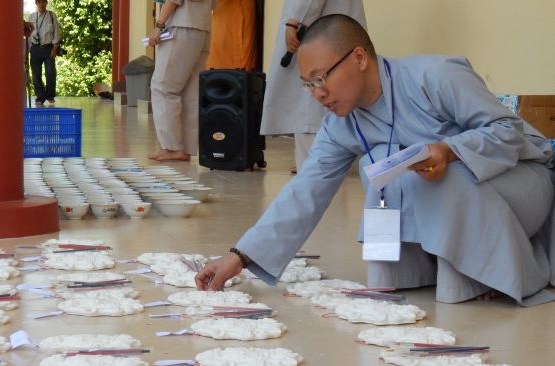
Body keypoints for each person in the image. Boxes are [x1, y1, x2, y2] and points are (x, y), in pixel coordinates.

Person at [195, 14, 555, 306]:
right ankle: (415, 274)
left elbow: (508, 130)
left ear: (359, 58)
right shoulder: (341, 123)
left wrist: (449, 150)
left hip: (523, 184)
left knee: (440, 172)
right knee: (384, 165)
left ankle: (488, 274)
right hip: (469, 201)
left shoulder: (434, 75)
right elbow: (305, 191)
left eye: (322, 78)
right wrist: (239, 256)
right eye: (309, 84)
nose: (318, 93)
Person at [261, 1, 365, 174]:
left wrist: (295, 22)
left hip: (314, 30)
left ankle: (312, 168)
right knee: (326, 106)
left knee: (309, 111)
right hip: (336, 28)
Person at [148, 0, 216, 162]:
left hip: (181, 25)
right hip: (202, 28)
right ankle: (184, 148)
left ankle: (172, 147)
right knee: (190, 91)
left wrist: (159, 25)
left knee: (163, 87)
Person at [27, 0, 61, 107]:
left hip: (48, 48)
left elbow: (56, 31)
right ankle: (40, 97)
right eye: (39, 2)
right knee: (36, 75)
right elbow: (28, 34)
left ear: (46, 3)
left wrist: (55, 47)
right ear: (36, 4)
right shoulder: (31, 16)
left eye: (43, 2)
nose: (41, 4)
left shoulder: (51, 15)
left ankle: (50, 95)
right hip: (35, 48)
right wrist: (28, 49)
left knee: (50, 72)